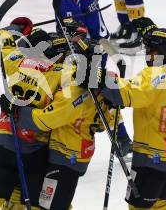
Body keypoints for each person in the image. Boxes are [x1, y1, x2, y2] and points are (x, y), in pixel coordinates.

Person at [46, 0, 134, 158]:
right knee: (94, 91)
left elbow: (77, 31)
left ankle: (122, 139)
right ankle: (121, 139)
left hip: (89, 48)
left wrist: (60, 41)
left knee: (94, 93)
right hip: (97, 43)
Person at [89, 17, 166, 209]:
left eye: (151, 51)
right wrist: (151, 33)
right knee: (158, 204)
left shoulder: (155, 76)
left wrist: (96, 76)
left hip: (153, 157)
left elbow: (124, 93)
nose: (148, 54)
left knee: (138, 207)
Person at [8, 38, 114, 210]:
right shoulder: (103, 84)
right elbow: (103, 125)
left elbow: (50, 118)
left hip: (65, 154)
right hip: (80, 152)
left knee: (50, 205)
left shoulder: (74, 87)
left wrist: (18, 111)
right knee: (59, 201)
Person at [0, 18, 72, 210]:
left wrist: (18, 28)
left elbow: (0, 38)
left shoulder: (16, 61)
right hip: (34, 149)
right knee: (28, 198)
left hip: (4, 142)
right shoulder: (59, 73)